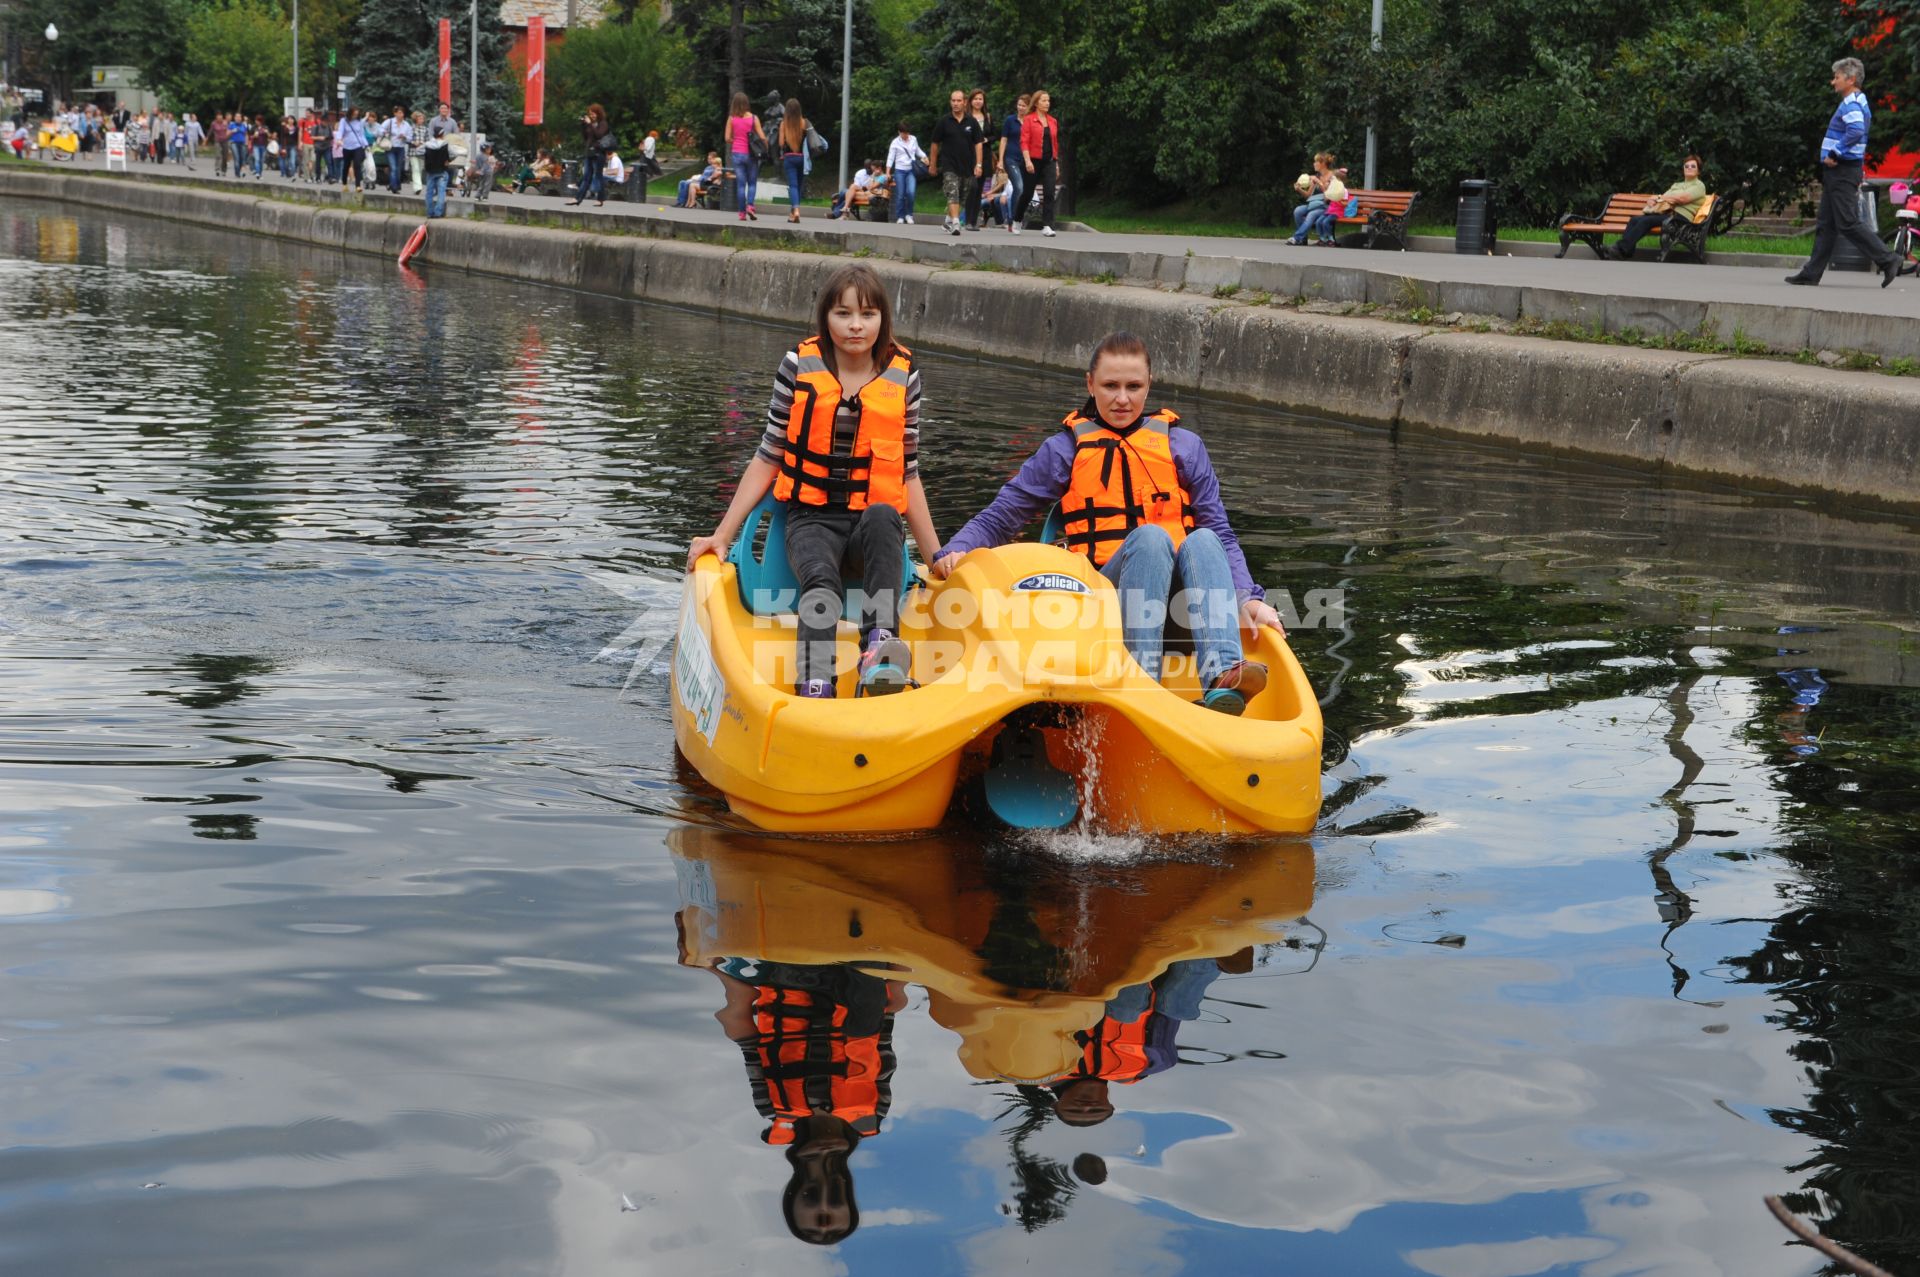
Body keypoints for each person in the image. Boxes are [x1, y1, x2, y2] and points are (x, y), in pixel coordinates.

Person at [933, 332, 1282, 714]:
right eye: (1110, 386)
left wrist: (1250, 598)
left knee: (1204, 539)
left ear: (1149, 386)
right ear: (1090, 384)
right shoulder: (1064, 449)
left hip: (1180, 618)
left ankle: (1222, 675)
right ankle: (1140, 685)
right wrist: (955, 550)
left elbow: (1222, 532)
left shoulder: (1184, 446)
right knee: (1150, 538)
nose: (1122, 398)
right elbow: (1004, 515)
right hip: (1103, 615)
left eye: (1133, 387)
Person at [686, 264, 942, 699]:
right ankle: (815, 681)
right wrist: (720, 535)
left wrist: (938, 556)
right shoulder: (798, 364)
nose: (856, 325)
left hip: (869, 525)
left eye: (868, 313)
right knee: (821, 582)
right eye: (843, 314)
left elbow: (907, 471)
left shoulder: (906, 375)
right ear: (826, 317)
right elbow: (768, 455)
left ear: (883, 319)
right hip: (810, 519)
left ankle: (880, 651)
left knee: (884, 516)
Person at [694, 949, 902, 1246]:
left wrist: (712, 965)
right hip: (859, 983)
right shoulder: (872, 1113)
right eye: (835, 1197)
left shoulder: (773, 1109)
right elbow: (886, 1025)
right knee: (866, 1014)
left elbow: (741, 1028)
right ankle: (867, 942)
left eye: (811, 1195)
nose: (824, 1194)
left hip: (787, 979)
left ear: (796, 1187)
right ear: (847, 1190)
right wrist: (902, 965)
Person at [1787, 57, 1902, 288]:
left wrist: (1835, 153)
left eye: (1837, 77)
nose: (1833, 82)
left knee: (1847, 222)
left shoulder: (1851, 103)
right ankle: (1811, 273)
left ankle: (1889, 259)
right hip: (1842, 170)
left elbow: (1856, 131)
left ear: (1850, 79)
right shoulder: (1857, 101)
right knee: (1826, 224)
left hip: (1842, 170)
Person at [1609, 155, 1709, 261]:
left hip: (1681, 218)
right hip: (1668, 214)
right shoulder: (1677, 185)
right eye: (1686, 166)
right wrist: (1653, 200)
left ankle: (1619, 248)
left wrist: (1663, 197)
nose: (1689, 168)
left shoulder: (1699, 186)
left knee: (1647, 221)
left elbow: (1682, 199)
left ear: (1698, 171)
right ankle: (1626, 251)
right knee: (1634, 219)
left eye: (1693, 166)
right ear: (1683, 169)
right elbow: (1663, 198)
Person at [928, 88, 984, 237]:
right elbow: (935, 143)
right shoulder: (944, 121)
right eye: (953, 100)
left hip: (967, 165)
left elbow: (978, 143)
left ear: (965, 103)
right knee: (952, 191)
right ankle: (956, 222)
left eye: (959, 101)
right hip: (949, 164)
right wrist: (932, 164)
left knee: (963, 194)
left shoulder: (971, 122)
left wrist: (979, 164)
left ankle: (948, 220)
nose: (956, 103)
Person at [1020, 89, 1061, 237]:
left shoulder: (1053, 121)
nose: (1047, 103)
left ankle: (1047, 225)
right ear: (1036, 103)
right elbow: (1024, 142)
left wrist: (1056, 164)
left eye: (1048, 100)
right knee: (1027, 193)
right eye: (1044, 100)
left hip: (1049, 161)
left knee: (1049, 192)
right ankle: (1017, 219)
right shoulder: (1029, 119)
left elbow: (1055, 144)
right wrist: (1027, 160)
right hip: (1033, 161)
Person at [725, 91, 767, 221]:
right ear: (746, 103)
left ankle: (742, 213)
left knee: (741, 185)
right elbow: (762, 137)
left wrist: (736, 140)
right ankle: (750, 206)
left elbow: (727, 138)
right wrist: (764, 146)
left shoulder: (731, 119)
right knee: (752, 183)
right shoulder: (754, 118)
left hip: (737, 154)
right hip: (751, 154)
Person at [885, 121, 926, 224]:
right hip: (899, 171)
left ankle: (909, 215)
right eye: (904, 133)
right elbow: (890, 158)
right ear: (899, 132)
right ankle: (900, 216)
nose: (906, 135)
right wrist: (888, 172)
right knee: (900, 194)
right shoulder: (895, 142)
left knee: (911, 192)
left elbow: (918, 151)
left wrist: (925, 157)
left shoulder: (913, 139)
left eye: (907, 133)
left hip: (911, 170)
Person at [999, 93, 1029, 232]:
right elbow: (1004, 140)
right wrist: (1000, 160)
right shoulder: (1010, 120)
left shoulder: (1030, 121)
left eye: (1023, 105)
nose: (1021, 108)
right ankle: (1015, 219)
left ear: (1029, 107)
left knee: (1023, 190)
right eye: (1019, 105)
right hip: (1011, 158)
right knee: (1019, 186)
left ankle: (1014, 219)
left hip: (1026, 159)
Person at [572, 102, 612, 206]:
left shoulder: (603, 123)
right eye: (590, 113)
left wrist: (590, 124)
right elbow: (586, 138)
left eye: (594, 113)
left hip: (598, 153)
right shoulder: (590, 124)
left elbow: (599, 135)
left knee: (598, 176)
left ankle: (600, 199)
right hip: (589, 152)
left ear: (599, 113)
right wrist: (583, 126)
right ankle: (577, 199)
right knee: (586, 177)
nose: (592, 115)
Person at [778, 96, 810, 223]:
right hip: (803, 159)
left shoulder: (784, 124)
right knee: (799, 186)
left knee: (793, 186)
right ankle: (792, 213)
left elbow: (781, 143)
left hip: (789, 158)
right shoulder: (805, 123)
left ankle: (796, 210)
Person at [963, 89, 991, 230]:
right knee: (972, 187)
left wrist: (986, 139)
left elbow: (995, 135)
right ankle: (967, 219)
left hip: (985, 155)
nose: (978, 101)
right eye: (976, 99)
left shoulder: (988, 117)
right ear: (970, 101)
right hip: (969, 155)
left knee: (979, 189)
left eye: (981, 99)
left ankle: (973, 221)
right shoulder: (966, 117)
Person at [378, 106, 411, 194]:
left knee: (399, 168)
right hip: (390, 147)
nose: (401, 115)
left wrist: (404, 137)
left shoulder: (406, 124)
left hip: (400, 148)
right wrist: (385, 132)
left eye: (402, 113)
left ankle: (396, 184)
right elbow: (380, 130)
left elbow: (410, 138)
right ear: (395, 113)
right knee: (393, 167)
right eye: (399, 113)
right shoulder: (389, 122)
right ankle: (394, 187)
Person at [422, 125, 453, 217]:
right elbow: (453, 153)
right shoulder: (445, 144)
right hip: (442, 170)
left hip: (431, 171)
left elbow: (418, 151)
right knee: (441, 192)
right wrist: (449, 160)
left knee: (429, 192)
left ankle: (429, 212)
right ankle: (438, 213)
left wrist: (425, 158)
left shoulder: (427, 144)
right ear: (442, 134)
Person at [336, 109, 367, 190]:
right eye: (354, 114)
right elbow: (340, 131)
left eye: (356, 114)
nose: (355, 116)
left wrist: (366, 144)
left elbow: (361, 134)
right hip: (347, 146)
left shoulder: (359, 121)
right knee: (346, 165)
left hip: (358, 145)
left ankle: (358, 185)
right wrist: (338, 139)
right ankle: (344, 183)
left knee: (357, 164)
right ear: (350, 114)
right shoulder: (344, 121)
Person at [406, 110, 428, 192]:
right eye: (419, 118)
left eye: (422, 118)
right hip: (413, 151)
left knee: (420, 169)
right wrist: (414, 143)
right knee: (415, 168)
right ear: (415, 119)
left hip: (422, 152)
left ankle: (418, 185)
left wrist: (423, 143)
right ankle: (417, 187)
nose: (421, 120)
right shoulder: (411, 128)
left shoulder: (425, 129)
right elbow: (408, 139)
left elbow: (428, 140)